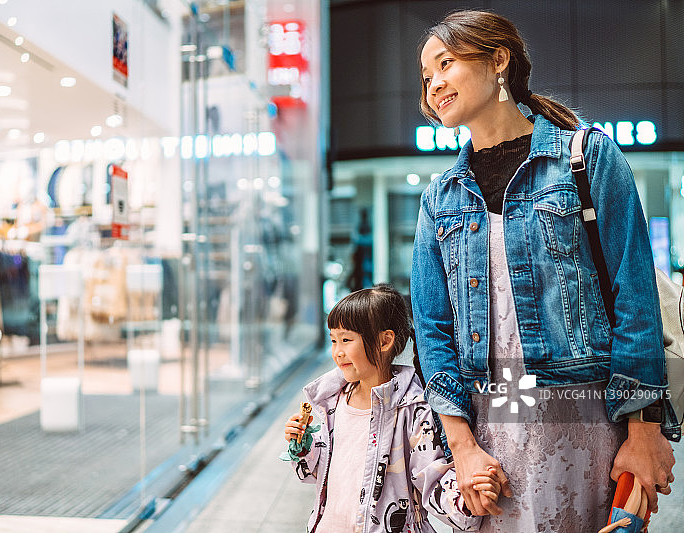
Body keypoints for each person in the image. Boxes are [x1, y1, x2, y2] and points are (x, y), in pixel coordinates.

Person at [411, 9, 676, 532]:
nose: (433, 84)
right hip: (488, 440)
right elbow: (433, 331)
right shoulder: (439, 198)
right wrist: (460, 447)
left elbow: (635, 297)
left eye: (445, 63)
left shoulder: (587, 158)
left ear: (499, 60)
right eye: (426, 77)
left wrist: (643, 430)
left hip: (586, 426)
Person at [283, 284, 501, 532]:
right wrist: (302, 445)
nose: (337, 352)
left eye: (346, 340)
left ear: (385, 341)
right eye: (333, 341)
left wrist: (468, 498)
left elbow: (431, 474)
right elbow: (318, 472)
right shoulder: (333, 402)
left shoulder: (412, 407)